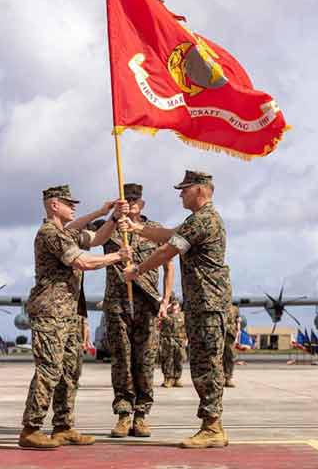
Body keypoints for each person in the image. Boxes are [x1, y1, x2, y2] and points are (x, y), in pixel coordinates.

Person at [119, 170, 231, 448]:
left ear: (201, 191)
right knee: (204, 362)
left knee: (207, 365)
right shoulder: (198, 221)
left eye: (185, 189)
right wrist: (138, 229)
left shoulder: (203, 221)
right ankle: (211, 424)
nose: (180, 193)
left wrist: (137, 270)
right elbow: (169, 234)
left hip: (207, 303)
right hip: (203, 303)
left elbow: (167, 250)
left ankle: (213, 427)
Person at [18, 185, 132, 450]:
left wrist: (112, 217)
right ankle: (30, 429)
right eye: (69, 203)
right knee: (49, 369)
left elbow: (97, 239)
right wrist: (118, 256)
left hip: (70, 314)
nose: (74, 207)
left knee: (70, 372)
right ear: (53, 205)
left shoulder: (67, 233)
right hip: (51, 312)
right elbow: (82, 261)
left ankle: (63, 426)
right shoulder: (50, 233)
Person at [88, 183, 174, 439]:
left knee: (145, 362)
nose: (132, 203)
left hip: (147, 303)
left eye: (135, 200)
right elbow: (81, 236)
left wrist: (166, 300)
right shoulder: (108, 228)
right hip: (117, 303)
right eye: (127, 200)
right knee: (122, 361)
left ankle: (141, 415)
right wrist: (108, 214)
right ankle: (124, 414)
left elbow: (169, 266)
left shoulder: (155, 230)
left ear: (143, 203)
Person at [159, 297, 188, 387]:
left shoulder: (183, 315)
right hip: (167, 340)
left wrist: (187, 339)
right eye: (172, 304)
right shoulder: (164, 314)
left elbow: (186, 328)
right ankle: (168, 378)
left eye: (175, 304)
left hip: (180, 340)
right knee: (167, 359)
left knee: (179, 359)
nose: (174, 306)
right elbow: (158, 325)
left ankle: (177, 378)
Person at [223, 304, 240, 387]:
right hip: (219, 334)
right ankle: (220, 378)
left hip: (230, 335)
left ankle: (228, 378)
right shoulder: (218, 306)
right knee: (218, 357)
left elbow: (238, 321)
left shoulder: (235, 309)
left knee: (231, 357)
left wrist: (238, 334)